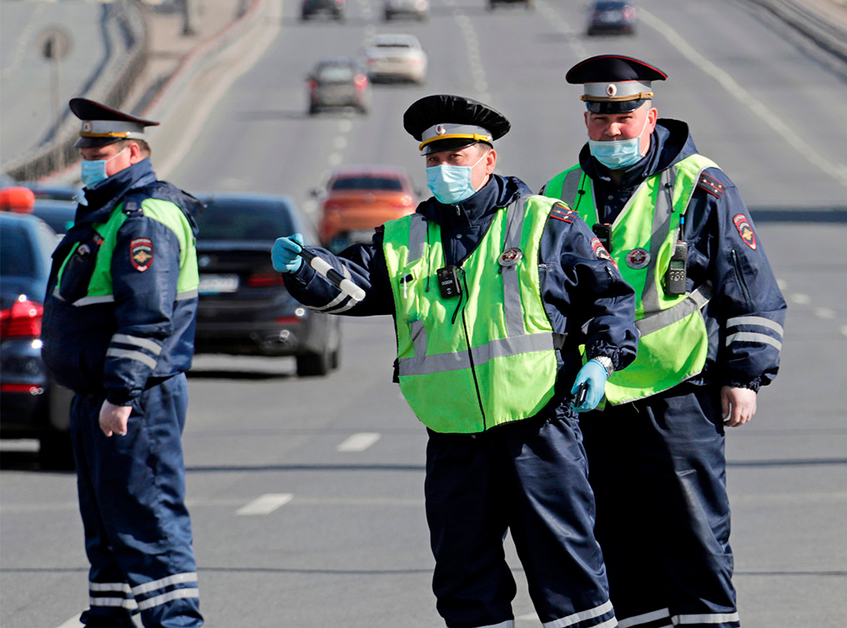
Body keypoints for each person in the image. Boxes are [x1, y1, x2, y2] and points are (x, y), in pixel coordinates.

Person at [272, 94, 638, 628]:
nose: (444, 170)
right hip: (453, 443)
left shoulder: (545, 222)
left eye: (456, 157)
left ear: (489, 160)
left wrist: (603, 360)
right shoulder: (402, 237)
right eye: (434, 160)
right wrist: (304, 268)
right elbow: (354, 289)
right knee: (465, 583)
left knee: (568, 577)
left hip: (538, 433)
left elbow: (609, 298)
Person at [541, 55, 787, 628]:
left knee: (694, 532)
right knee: (616, 540)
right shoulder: (558, 193)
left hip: (679, 389)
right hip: (591, 397)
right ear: (586, 121)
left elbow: (748, 282)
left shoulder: (702, 184)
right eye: (601, 117)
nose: (614, 129)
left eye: (626, 115)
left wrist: (744, 375)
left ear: (651, 115)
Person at [41, 98, 204, 627]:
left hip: (134, 400)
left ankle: (178, 623)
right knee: (109, 531)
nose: (87, 155)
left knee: (147, 523)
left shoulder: (144, 217)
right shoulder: (108, 213)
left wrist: (120, 394)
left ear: (132, 151)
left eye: (98, 148)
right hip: (103, 396)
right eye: (83, 146)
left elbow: (147, 317)